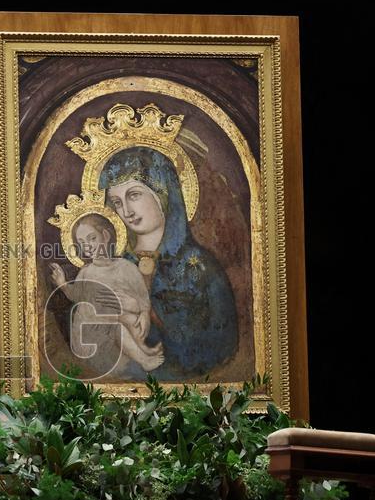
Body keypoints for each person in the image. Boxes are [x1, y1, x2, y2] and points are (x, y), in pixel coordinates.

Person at [99, 147, 238, 379]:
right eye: (117, 202)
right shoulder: (114, 265)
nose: (126, 211)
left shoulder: (199, 266)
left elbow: (220, 344)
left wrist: (150, 312)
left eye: (134, 195)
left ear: (163, 193)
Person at [49, 213, 164, 376]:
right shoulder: (87, 272)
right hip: (90, 334)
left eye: (92, 238)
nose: (87, 246)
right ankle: (144, 360)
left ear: (105, 235)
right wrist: (62, 283)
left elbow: (142, 296)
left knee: (131, 319)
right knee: (116, 323)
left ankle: (144, 350)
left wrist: (144, 313)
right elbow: (76, 295)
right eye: (82, 243)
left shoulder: (127, 267)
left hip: (114, 324)